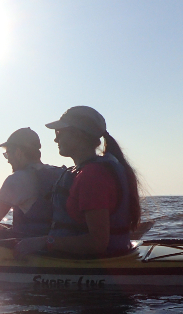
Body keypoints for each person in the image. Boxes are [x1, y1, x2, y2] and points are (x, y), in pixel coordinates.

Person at [14, 106, 141, 257]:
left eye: (59, 132)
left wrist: (44, 242)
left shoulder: (93, 176)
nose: (55, 139)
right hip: (108, 255)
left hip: (93, 266)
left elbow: (98, 243)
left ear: (78, 134)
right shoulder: (91, 169)